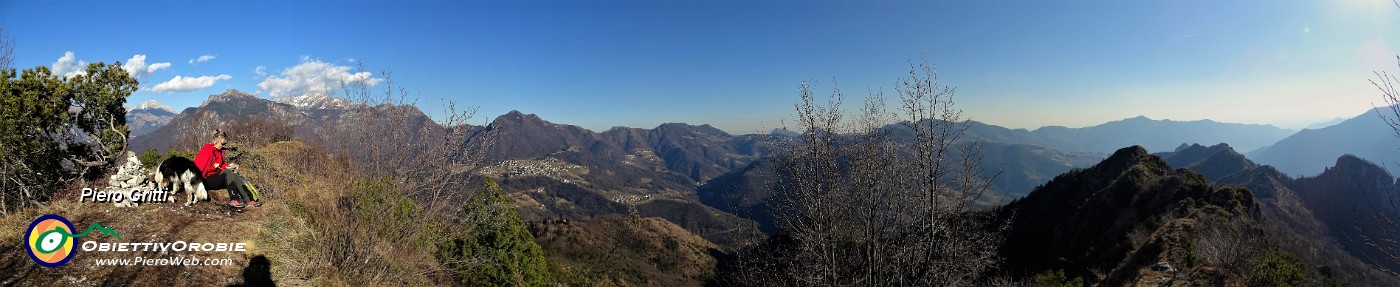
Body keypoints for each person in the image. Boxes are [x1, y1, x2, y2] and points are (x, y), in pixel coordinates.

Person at [195, 129, 261, 208]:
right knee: (228, 173)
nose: (223, 145)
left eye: (224, 144)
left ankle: (249, 200)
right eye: (222, 143)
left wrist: (227, 166)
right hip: (205, 180)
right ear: (215, 140)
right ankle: (234, 198)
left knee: (235, 175)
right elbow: (197, 167)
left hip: (216, 178)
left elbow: (221, 165)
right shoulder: (207, 149)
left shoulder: (221, 152)